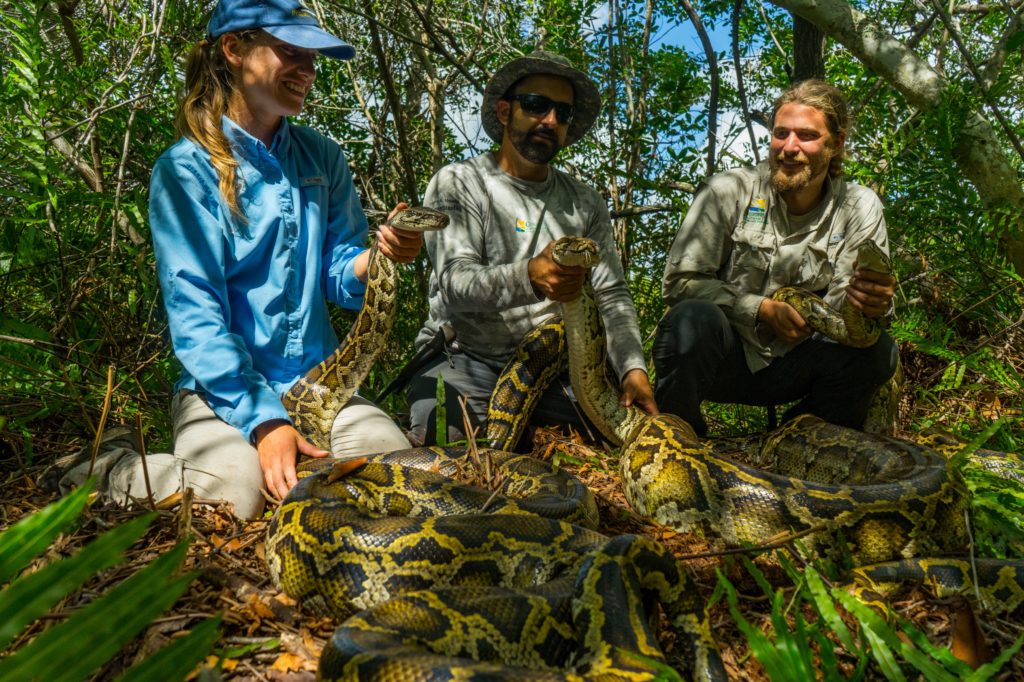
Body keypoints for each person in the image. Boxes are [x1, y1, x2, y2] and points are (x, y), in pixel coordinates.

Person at [58, 0, 422, 519]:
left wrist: (379, 257)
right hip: (222, 392)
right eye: (290, 51)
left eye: (313, 58)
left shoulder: (323, 158)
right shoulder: (185, 172)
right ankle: (103, 465)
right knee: (231, 496)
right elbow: (196, 319)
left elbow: (340, 273)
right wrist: (267, 422)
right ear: (233, 49)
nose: (307, 70)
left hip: (319, 384)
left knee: (400, 474)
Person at [405, 50, 657, 448]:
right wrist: (530, 277)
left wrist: (632, 369)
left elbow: (611, 293)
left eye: (563, 112)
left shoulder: (585, 202)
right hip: (465, 357)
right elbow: (455, 282)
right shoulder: (459, 182)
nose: (550, 120)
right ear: (505, 112)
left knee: (621, 441)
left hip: (556, 365)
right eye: (537, 104)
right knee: (445, 445)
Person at [653, 79, 898, 436]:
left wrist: (874, 304)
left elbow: (852, 312)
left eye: (807, 136)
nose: (789, 148)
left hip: (798, 365)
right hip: (726, 358)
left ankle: (805, 437)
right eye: (780, 133)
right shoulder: (728, 191)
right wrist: (761, 309)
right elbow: (680, 282)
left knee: (879, 353)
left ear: (836, 144)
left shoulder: (859, 207)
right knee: (689, 318)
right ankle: (676, 435)